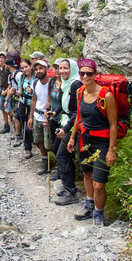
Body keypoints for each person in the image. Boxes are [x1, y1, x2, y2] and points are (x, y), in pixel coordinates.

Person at [68, 59, 118, 226]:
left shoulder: (106, 96)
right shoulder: (80, 92)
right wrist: (72, 137)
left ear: (96, 74)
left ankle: (99, 212)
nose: (85, 76)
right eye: (82, 73)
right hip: (85, 139)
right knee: (87, 174)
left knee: (99, 184)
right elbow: (79, 117)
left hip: (102, 143)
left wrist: (112, 150)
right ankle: (89, 205)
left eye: (89, 73)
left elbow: (113, 124)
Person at [54, 59, 83, 206]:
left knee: (62, 155)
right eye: (61, 68)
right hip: (65, 123)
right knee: (58, 151)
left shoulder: (76, 84)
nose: (63, 71)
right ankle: (67, 183)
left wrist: (66, 129)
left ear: (72, 69)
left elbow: (77, 112)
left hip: (72, 127)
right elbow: (62, 104)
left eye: (66, 68)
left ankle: (71, 191)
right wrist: (53, 113)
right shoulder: (66, 84)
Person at [28, 60, 51, 175]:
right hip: (37, 115)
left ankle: (54, 162)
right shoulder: (35, 83)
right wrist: (31, 117)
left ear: (46, 69)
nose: (38, 71)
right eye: (36, 69)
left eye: (41, 68)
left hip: (49, 117)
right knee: (39, 140)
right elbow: (34, 99)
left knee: (50, 142)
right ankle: (45, 160)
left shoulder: (52, 83)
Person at [16, 59, 35, 158]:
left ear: (30, 66)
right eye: (22, 68)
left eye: (26, 67)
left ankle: (30, 144)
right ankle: (27, 148)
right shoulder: (21, 78)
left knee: (29, 127)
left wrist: (32, 92)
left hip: (33, 104)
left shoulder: (36, 78)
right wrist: (15, 93)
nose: (24, 69)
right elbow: (20, 92)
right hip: (23, 103)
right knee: (24, 124)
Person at [6, 60, 23, 147]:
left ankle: (18, 136)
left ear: (9, 65)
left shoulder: (18, 75)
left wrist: (20, 101)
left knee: (15, 118)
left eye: (6, 65)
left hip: (18, 99)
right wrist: (7, 100)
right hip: (14, 99)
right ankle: (18, 133)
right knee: (15, 117)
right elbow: (10, 88)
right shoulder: (11, 76)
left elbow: (20, 89)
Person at [0, 53, 12, 134]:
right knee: (2, 109)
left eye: (3, 57)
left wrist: (6, 91)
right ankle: (6, 125)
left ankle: (13, 125)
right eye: (0, 57)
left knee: (8, 110)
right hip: (1, 90)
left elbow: (11, 81)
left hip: (8, 90)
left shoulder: (8, 68)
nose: (1, 59)